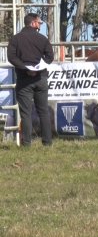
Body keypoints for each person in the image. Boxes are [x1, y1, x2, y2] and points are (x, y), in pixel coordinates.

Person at [7, 13, 54, 147]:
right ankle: (47, 143)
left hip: (23, 79)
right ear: (33, 23)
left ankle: (27, 143)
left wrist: (25, 68)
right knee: (43, 111)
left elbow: (11, 57)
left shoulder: (15, 39)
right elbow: (50, 56)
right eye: (39, 23)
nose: (39, 26)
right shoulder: (42, 39)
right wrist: (39, 67)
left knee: (25, 113)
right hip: (40, 78)